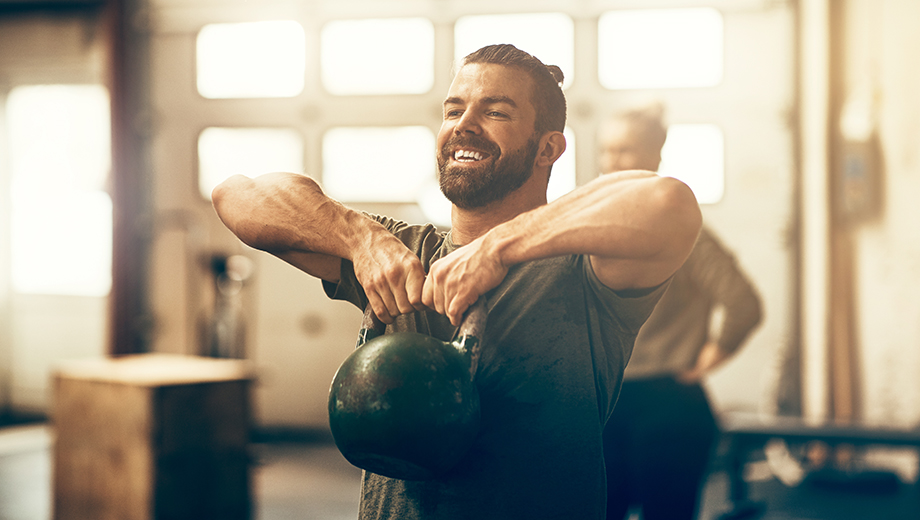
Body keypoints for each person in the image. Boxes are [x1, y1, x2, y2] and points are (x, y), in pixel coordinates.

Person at [212, 45, 701, 520]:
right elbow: (239, 196)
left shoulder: (584, 270)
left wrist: (497, 247)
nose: (464, 125)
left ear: (548, 148)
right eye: (453, 110)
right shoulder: (401, 251)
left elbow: (668, 204)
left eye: (496, 112)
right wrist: (361, 239)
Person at [598, 103, 763, 520]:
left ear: (655, 157)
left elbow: (744, 304)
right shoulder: (592, 228)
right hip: (603, 408)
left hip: (667, 408)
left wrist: (708, 357)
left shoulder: (683, 231)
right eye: (607, 150)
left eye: (626, 150)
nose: (612, 161)